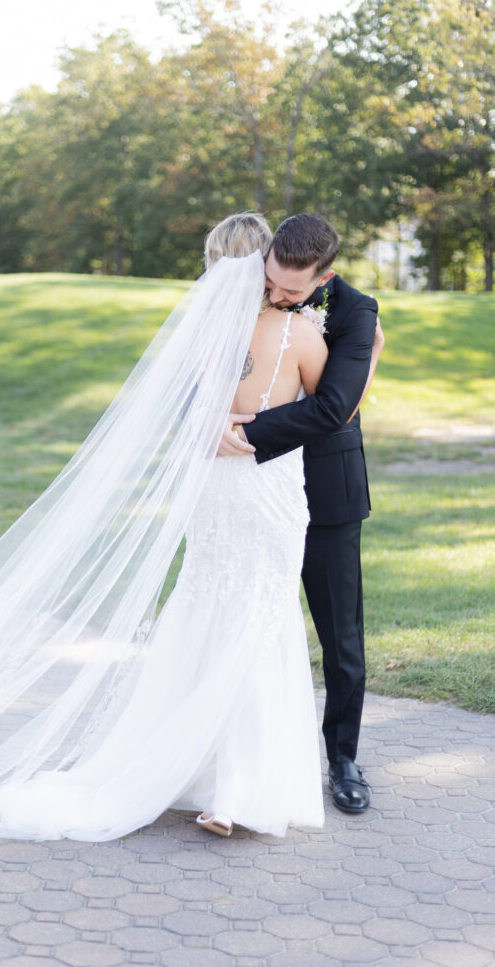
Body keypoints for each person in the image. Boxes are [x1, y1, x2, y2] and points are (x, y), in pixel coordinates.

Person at [0, 213, 327, 863]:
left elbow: (189, 410)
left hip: (213, 489)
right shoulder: (302, 335)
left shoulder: (199, 330)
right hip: (269, 490)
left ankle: (179, 769)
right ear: (268, 265)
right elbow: (329, 411)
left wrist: (222, 424)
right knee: (259, 621)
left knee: (203, 613)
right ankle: (237, 790)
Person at [219, 213, 385, 814]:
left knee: (340, 635)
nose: (277, 295)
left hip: (326, 489)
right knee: (244, 616)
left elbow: (333, 407)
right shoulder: (249, 295)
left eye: (293, 290)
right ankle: (237, 759)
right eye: (272, 281)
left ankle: (343, 758)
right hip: (251, 491)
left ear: (325, 276)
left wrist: (244, 431)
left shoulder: (356, 313)